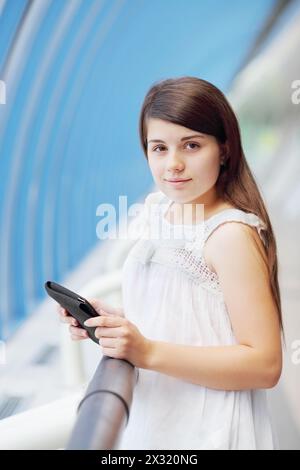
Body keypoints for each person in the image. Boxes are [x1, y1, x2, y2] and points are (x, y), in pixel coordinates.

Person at [58, 77, 283, 450]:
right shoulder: (161, 211)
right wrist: (112, 319)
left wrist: (146, 351)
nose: (173, 164)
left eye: (191, 145)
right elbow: (184, 313)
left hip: (208, 429)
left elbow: (265, 364)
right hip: (158, 418)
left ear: (224, 150)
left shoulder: (229, 234)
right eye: (158, 148)